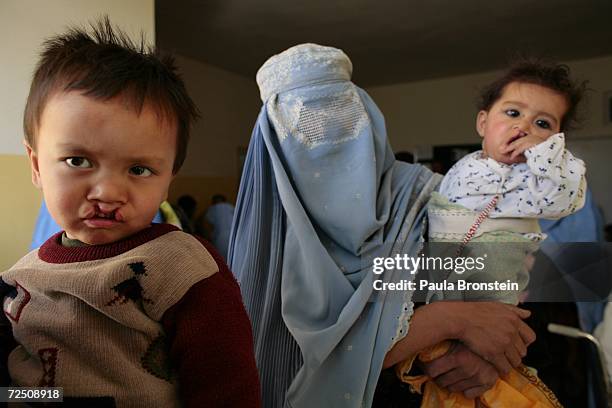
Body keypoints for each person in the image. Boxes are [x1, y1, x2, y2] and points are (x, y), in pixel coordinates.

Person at [229, 43, 535, 408]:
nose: (327, 137)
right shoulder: (266, 241)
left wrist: (483, 355)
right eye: (306, 125)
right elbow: (287, 366)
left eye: (341, 116)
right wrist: (449, 319)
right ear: (274, 149)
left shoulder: (423, 195)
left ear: (368, 119)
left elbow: (500, 292)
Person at [0, 19, 260, 407]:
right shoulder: (22, 275)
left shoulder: (182, 268)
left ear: (168, 179)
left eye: (139, 170)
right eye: (77, 160)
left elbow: (226, 384)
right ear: (36, 166)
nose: (107, 192)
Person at [397, 59, 587, 406]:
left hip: (495, 271)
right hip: (443, 271)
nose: (525, 127)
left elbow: (567, 194)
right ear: (483, 122)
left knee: (484, 356)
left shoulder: (535, 181)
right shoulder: (464, 167)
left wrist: (545, 157)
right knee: (438, 355)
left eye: (542, 124)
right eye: (513, 113)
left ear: (556, 142)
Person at [196, 194, 234, 259]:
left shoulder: (212, 209)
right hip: (234, 238)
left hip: (220, 239)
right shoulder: (232, 207)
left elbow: (204, 224)